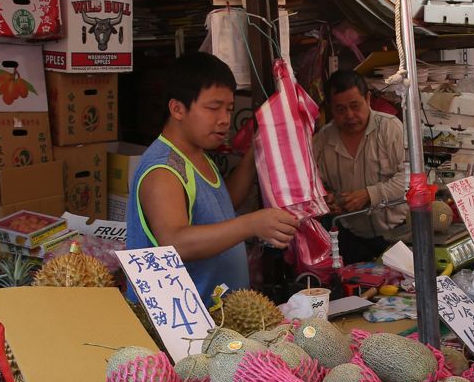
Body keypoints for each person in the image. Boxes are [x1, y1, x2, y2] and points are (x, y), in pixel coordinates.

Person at [128, 53, 297, 300]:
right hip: (184, 330)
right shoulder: (163, 169)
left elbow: (223, 206)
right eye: (213, 108)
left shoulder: (196, 155)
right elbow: (175, 242)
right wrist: (252, 224)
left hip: (218, 321)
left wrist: (254, 154)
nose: (225, 120)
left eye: (229, 109)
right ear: (177, 109)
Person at [312, 70, 407, 263]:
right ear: (330, 109)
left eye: (355, 106)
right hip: (350, 238)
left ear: (368, 99)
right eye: (340, 109)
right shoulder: (322, 140)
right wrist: (328, 200)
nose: (349, 115)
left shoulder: (390, 128)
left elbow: (409, 179)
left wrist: (368, 194)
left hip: (397, 235)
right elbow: (315, 185)